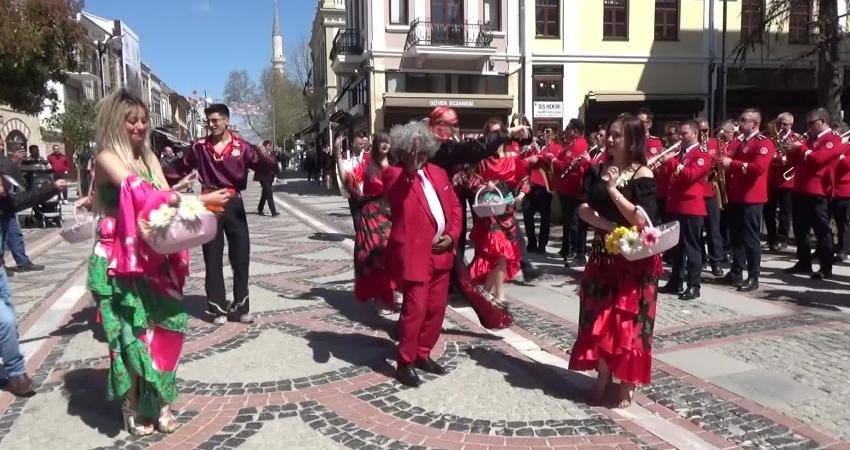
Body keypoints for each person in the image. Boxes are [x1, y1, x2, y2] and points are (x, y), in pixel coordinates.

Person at [82, 89, 232, 435]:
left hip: (154, 258)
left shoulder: (149, 155)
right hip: (120, 260)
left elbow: (163, 200)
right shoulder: (108, 156)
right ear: (116, 122)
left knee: (166, 329)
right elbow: (141, 193)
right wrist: (200, 199)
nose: (139, 126)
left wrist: (191, 204)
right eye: (131, 120)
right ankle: (132, 403)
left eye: (143, 120)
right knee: (131, 335)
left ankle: (161, 401)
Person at [569, 114, 660, 408]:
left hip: (633, 260)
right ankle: (603, 376)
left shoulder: (642, 174)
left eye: (617, 135)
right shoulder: (597, 169)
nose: (610, 139)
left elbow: (642, 218)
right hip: (603, 254)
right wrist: (610, 228)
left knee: (628, 323)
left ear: (632, 140)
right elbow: (583, 208)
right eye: (609, 133)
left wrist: (612, 190)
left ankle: (628, 384)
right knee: (599, 318)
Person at [172, 103, 276, 324]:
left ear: (226, 121)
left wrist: (265, 154)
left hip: (234, 203)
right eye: (208, 121)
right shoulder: (199, 147)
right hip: (210, 205)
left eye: (215, 120)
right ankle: (218, 307)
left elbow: (265, 167)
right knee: (212, 257)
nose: (211, 125)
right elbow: (178, 167)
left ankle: (241, 306)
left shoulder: (242, 146)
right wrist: (154, 176)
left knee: (241, 255)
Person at [383, 120, 461, 387]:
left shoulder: (439, 172)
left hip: (442, 252)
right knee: (414, 310)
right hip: (416, 255)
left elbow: (455, 208)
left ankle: (422, 353)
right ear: (402, 152)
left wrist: (451, 235)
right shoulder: (395, 175)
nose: (417, 155)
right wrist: (410, 168)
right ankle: (404, 361)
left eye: (421, 150)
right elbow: (399, 192)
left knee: (437, 309)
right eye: (411, 151)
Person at [0, 142, 64, 397]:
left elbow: (23, 199)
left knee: (8, 322)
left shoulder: (4, 201)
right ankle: (16, 374)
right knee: (5, 322)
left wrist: (51, 188)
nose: (5, 189)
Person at [462, 119, 528, 305]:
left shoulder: (512, 152)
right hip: (488, 211)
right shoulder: (481, 155)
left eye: (499, 132)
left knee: (504, 254)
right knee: (499, 252)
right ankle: (499, 296)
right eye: (492, 133)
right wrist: (484, 184)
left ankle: (485, 293)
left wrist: (521, 195)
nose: (496, 136)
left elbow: (522, 176)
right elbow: (469, 179)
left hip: (507, 209)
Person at [784, 108, 843, 280]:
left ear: (823, 121)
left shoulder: (832, 139)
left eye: (812, 123)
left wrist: (801, 147)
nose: (809, 127)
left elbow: (818, 160)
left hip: (817, 191)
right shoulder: (811, 139)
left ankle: (826, 267)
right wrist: (792, 151)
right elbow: (799, 162)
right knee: (800, 230)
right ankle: (803, 262)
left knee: (822, 231)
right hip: (800, 188)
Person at [720, 108, 774, 291]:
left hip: (751, 197)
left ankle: (753, 276)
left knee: (751, 238)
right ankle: (736, 271)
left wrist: (732, 164)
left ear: (754, 123)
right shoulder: (740, 142)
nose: (739, 123)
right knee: (736, 237)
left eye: (743, 120)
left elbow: (758, 168)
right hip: (736, 195)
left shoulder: (763, 143)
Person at [660, 121, 710, 300]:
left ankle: (694, 285)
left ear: (695, 133)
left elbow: (691, 175)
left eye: (684, 134)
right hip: (675, 205)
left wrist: (672, 163)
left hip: (691, 207)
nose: (680, 137)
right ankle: (675, 281)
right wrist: (665, 163)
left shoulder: (701, 153)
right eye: (679, 134)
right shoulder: (680, 153)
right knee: (676, 248)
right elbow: (668, 178)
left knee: (692, 248)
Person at [346, 132, 395, 311]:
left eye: (387, 141)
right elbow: (350, 179)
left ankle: (388, 292)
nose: (384, 144)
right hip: (372, 214)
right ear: (376, 145)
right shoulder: (367, 164)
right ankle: (381, 294)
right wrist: (337, 156)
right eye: (381, 142)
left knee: (391, 255)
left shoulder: (396, 164)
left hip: (392, 214)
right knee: (373, 255)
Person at [0, 147, 44, 275]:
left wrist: (15, 163)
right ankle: (1, 267)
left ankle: (23, 262)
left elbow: (10, 175)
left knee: (14, 233)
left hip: (6, 204)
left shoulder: (4, 160)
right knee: (1, 237)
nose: (2, 147)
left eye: (2, 143)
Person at [553, 119, 590, 267]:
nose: (566, 131)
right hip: (567, 189)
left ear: (575, 131)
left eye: (568, 128)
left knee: (575, 224)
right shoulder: (571, 144)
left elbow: (568, 165)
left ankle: (578, 253)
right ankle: (570, 250)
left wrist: (554, 160)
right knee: (570, 222)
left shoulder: (578, 144)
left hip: (574, 190)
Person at [764, 113, 798, 252]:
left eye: (785, 124)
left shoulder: (795, 139)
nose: (781, 127)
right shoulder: (770, 139)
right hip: (772, 180)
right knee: (768, 211)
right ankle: (771, 239)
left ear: (791, 124)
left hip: (787, 181)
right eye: (779, 124)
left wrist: (783, 159)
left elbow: (797, 159)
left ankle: (782, 239)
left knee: (785, 212)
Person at [697, 118, 725, 277]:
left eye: (706, 130)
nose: (703, 134)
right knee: (697, 230)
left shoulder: (715, 143)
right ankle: (700, 259)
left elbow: (722, 163)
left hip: (711, 192)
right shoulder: (691, 145)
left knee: (714, 230)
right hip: (697, 193)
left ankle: (717, 262)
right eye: (701, 131)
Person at [522, 129, 555, 254]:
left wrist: (543, 154)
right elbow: (522, 163)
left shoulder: (553, 147)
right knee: (527, 215)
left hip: (543, 186)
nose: (543, 135)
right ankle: (531, 243)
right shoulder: (530, 148)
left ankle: (542, 245)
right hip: (529, 185)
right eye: (540, 132)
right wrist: (529, 151)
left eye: (547, 132)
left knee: (545, 218)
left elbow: (552, 161)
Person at [832, 123, 850, 263]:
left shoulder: (847, 147)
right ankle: (828, 247)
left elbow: (846, 165)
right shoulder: (836, 146)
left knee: (844, 222)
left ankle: (843, 250)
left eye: (837, 134)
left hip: (845, 190)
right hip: (831, 189)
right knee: (827, 222)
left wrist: (839, 154)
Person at [255, 140, 279, 217]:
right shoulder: (260, 154)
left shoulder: (272, 153)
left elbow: (275, 164)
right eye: (266, 146)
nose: (268, 147)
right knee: (269, 192)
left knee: (265, 193)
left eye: (269, 146)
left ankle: (260, 208)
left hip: (270, 176)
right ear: (264, 146)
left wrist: (276, 175)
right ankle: (273, 211)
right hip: (263, 176)